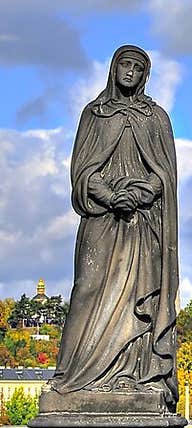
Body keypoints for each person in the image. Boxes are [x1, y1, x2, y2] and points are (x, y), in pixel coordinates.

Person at [49, 46, 179, 409]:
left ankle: (132, 374)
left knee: (139, 297)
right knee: (88, 287)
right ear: (113, 68)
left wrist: (140, 194)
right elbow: (81, 170)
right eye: (125, 64)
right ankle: (71, 376)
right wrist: (108, 195)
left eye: (139, 68)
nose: (130, 72)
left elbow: (165, 175)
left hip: (142, 223)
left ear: (145, 76)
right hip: (102, 218)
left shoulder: (156, 118)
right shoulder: (94, 114)